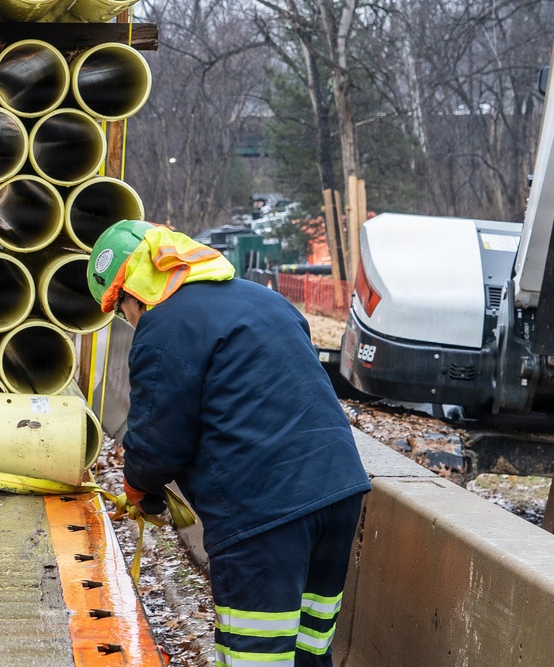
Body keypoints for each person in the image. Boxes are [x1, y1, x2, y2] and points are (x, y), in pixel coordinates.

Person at [87, 219, 372, 667]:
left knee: (255, 656)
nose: (126, 318)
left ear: (134, 291)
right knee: (309, 650)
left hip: (265, 515)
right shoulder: (267, 299)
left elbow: (159, 438)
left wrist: (140, 490)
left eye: (120, 306)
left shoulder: (164, 329)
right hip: (338, 493)